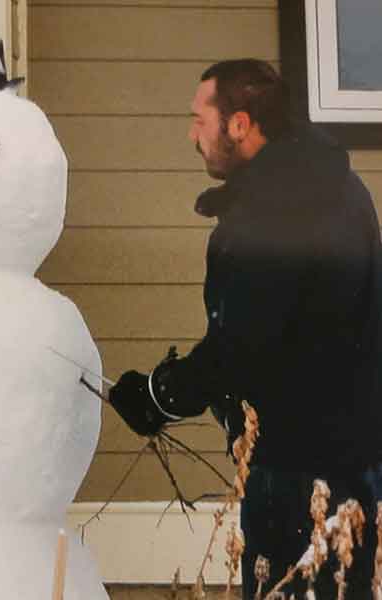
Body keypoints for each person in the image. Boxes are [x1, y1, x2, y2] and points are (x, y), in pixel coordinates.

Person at [107, 59, 382, 600]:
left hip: (297, 469)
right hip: (358, 461)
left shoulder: (271, 213)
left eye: (199, 120)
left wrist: (158, 397)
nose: (192, 136)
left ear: (239, 124)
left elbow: (242, 345)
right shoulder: (343, 192)